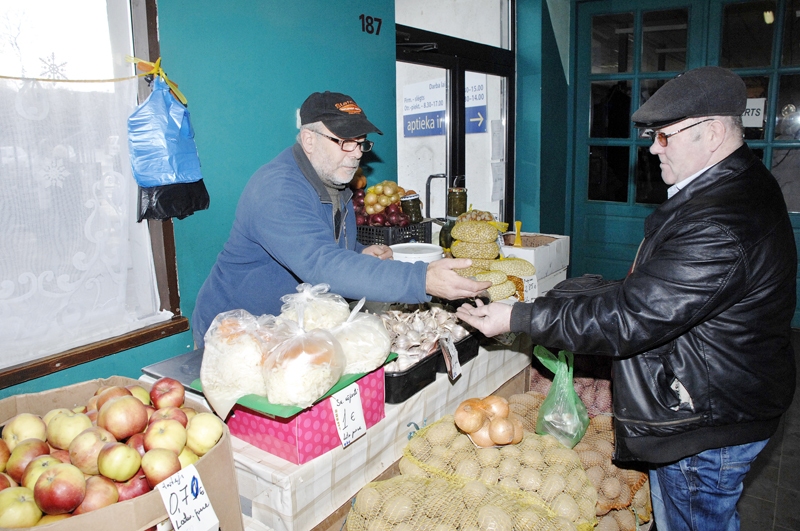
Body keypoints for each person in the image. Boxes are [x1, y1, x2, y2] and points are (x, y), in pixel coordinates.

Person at [457, 66, 797, 531]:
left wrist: (517, 315)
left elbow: (633, 317)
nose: (653, 147)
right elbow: (663, 295)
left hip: (705, 417)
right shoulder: (738, 185)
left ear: (713, 132)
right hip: (722, 390)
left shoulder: (720, 220)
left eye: (664, 136)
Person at [192, 90, 490, 347]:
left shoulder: (333, 182)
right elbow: (320, 263)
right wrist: (421, 279)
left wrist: (359, 250)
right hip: (235, 332)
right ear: (309, 139)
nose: (356, 153)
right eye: (345, 141)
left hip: (285, 330)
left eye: (361, 142)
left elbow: (321, 239)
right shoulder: (277, 188)